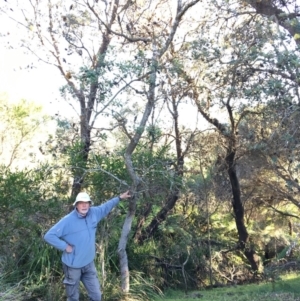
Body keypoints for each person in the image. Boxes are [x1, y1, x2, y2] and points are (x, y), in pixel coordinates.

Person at [44, 190, 131, 301]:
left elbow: (106, 207)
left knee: (96, 296)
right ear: (76, 205)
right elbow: (49, 235)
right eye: (81, 203)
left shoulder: (94, 213)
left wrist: (119, 198)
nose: (84, 205)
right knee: (73, 298)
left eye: (87, 203)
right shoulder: (68, 220)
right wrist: (65, 246)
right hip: (72, 266)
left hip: (89, 264)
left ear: (90, 204)